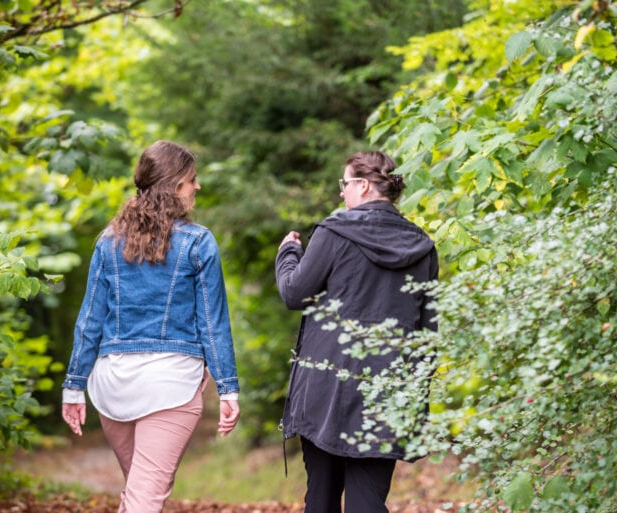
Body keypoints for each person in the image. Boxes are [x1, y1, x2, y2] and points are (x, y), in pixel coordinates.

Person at [61, 140, 240, 513]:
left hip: (112, 386)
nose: (198, 187)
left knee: (141, 492)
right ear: (175, 186)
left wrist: (74, 387)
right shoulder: (197, 241)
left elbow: (90, 320)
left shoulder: (108, 242)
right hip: (171, 384)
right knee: (146, 497)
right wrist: (228, 387)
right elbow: (212, 321)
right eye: (192, 180)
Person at [275, 150, 439, 513]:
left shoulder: (333, 233)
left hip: (326, 389)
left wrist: (288, 253)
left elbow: (293, 293)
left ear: (363, 186)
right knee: (368, 502)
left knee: (321, 498)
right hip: (388, 392)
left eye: (344, 184)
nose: (341, 193)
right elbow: (428, 334)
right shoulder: (422, 246)